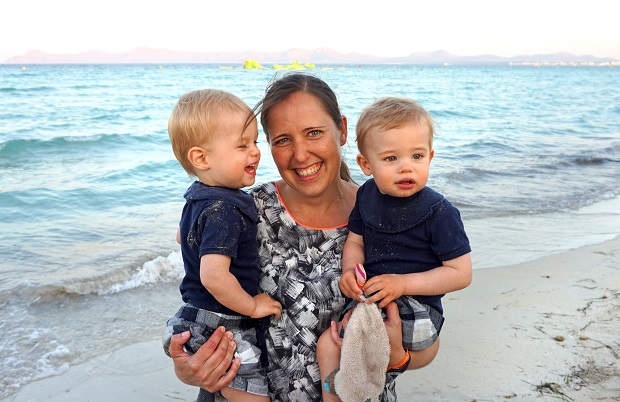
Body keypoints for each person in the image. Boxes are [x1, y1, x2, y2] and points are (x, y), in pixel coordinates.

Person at [167, 74, 437, 402]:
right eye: (283, 140)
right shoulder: (240, 212)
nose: (300, 154)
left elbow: (426, 336)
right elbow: (201, 306)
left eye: (314, 133)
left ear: (342, 130)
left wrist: (398, 357)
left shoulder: (389, 217)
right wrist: (188, 367)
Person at [317, 96, 473, 401]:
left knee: (361, 347)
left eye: (417, 156)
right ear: (366, 164)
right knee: (328, 344)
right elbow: (356, 241)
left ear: (430, 157)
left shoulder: (439, 212)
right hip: (374, 300)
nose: (406, 167)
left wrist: (402, 284)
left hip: (417, 309)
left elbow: (461, 273)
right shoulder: (366, 197)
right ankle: (342, 391)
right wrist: (350, 271)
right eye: (391, 159)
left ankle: (356, 385)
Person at [163, 88, 283, 402]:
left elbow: (182, 236)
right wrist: (253, 306)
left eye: (255, 142)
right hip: (220, 325)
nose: (255, 152)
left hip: (197, 319)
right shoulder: (225, 209)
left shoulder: (198, 197)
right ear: (201, 158)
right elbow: (214, 276)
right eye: (242, 145)